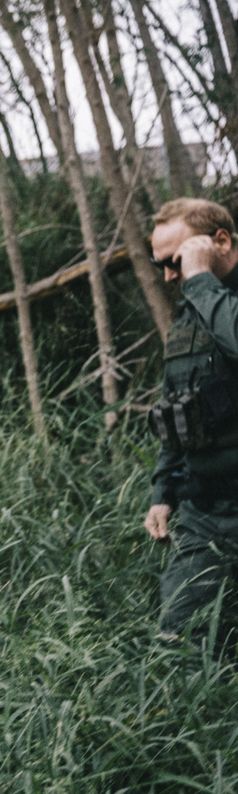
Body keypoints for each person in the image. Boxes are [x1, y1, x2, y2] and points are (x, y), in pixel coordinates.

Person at [144, 198, 238, 650]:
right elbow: (176, 411)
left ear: (220, 241)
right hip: (205, 515)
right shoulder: (188, 317)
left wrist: (201, 280)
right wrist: (163, 494)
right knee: (179, 649)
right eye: (160, 264)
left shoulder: (210, 297)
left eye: (176, 261)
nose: (169, 276)